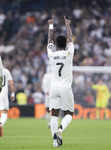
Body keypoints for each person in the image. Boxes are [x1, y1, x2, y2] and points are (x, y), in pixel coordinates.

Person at [47, 15, 74, 147]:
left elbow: (49, 39)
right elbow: (71, 38)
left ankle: (54, 142)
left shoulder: (51, 54)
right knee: (69, 113)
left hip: (54, 88)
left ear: (56, 44)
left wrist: (51, 25)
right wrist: (67, 25)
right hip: (65, 88)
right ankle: (60, 130)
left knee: (54, 116)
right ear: (66, 44)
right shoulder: (69, 53)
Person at [0, 67, 15, 138]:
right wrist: (13, 93)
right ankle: (1, 124)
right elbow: (11, 83)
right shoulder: (6, 71)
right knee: (4, 113)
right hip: (3, 94)